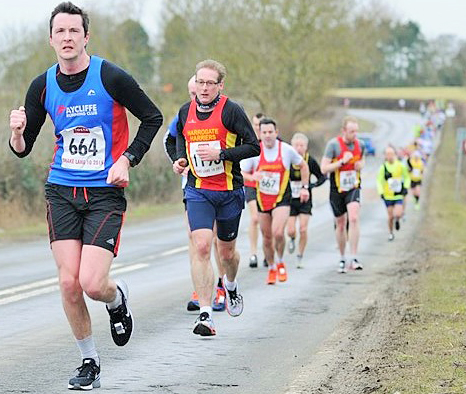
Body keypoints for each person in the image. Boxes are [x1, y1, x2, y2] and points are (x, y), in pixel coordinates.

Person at [8, 2, 163, 390]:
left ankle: (116, 299)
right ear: (51, 39)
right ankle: (89, 361)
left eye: (73, 31)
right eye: (60, 31)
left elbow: (153, 117)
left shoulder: (110, 76)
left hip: (104, 193)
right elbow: (24, 147)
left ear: (86, 36)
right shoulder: (42, 85)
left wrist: (128, 158)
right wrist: (15, 133)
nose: (67, 37)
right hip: (61, 190)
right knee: (68, 283)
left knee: (93, 283)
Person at [173, 59, 260, 336]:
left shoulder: (231, 111)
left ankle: (231, 286)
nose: (205, 87)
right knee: (201, 246)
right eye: (200, 82)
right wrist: (180, 160)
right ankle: (206, 314)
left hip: (228, 192)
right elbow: (179, 138)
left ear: (220, 85)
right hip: (198, 190)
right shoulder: (185, 110)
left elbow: (253, 147)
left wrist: (222, 155)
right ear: (195, 83)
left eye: (210, 83)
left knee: (227, 253)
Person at [164, 76, 226, 312]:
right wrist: (178, 161)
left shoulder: (222, 113)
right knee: (197, 239)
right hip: (192, 186)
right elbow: (168, 140)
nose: (195, 97)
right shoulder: (183, 115)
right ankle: (201, 289)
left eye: (197, 92)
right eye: (191, 93)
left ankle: (222, 285)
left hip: (221, 185)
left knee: (219, 239)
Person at [241, 118, 310, 284]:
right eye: (264, 132)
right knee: (266, 237)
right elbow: (241, 173)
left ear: (276, 133)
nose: (267, 136)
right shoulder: (254, 151)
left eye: (270, 132)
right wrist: (253, 176)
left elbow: (304, 166)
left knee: (278, 232)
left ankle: (280, 261)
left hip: (282, 198)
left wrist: (304, 187)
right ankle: (272, 267)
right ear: (260, 134)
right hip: (262, 198)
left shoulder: (286, 150)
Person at [321, 116, 365, 273]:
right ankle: (342, 257)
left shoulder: (360, 144)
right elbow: (324, 168)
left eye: (356, 131)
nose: (355, 134)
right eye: (351, 131)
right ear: (343, 131)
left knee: (353, 217)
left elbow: (362, 160)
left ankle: (354, 257)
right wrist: (341, 162)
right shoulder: (333, 145)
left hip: (353, 187)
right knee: (340, 224)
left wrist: (360, 165)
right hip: (336, 189)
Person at [286, 133, 326, 268]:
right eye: (296, 145)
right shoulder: (287, 160)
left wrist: (310, 186)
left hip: (305, 199)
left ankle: (300, 256)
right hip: (290, 200)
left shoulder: (310, 161)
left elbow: (322, 177)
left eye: (301, 145)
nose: (298, 148)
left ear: (306, 147)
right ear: (291, 146)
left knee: (303, 229)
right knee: (291, 230)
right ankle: (292, 238)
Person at [242, 113, 264, 268]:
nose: (257, 127)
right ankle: (253, 253)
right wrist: (252, 177)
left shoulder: (275, 145)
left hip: (271, 189)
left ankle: (269, 252)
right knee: (255, 218)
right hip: (252, 187)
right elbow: (241, 171)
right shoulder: (249, 143)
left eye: (260, 125)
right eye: (255, 124)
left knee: (267, 222)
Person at [376, 146, 410, 241]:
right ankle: (391, 233)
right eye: (387, 154)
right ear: (385, 156)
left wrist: (406, 187)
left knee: (398, 214)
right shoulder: (383, 167)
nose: (389, 156)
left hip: (398, 194)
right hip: (387, 195)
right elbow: (379, 180)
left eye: (391, 154)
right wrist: (381, 192)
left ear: (395, 154)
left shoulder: (400, 166)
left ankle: (398, 219)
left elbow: (407, 177)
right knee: (390, 216)